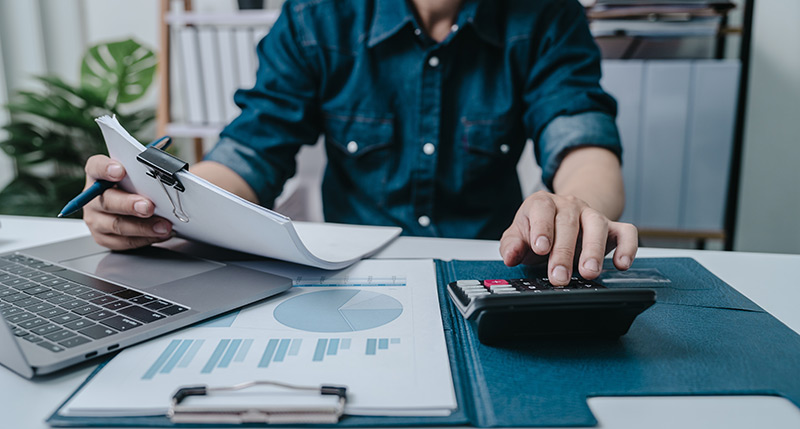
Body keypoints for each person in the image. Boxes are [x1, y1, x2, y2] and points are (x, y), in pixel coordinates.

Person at [82, 0, 638, 286]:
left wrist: (577, 206)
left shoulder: (547, 14)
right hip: (351, 274)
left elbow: (580, 133)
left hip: (492, 267)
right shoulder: (317, 15)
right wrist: (160, 204)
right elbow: (251, 152)